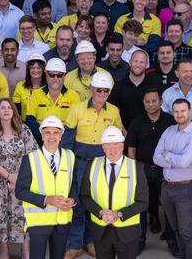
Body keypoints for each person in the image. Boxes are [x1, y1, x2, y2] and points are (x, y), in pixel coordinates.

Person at [63, 71, 123, 259]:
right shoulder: (77, 109)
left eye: (106, 91)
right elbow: (67, 142)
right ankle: (74, 245)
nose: (102, 94)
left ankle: (91, 242)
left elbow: (118, 139)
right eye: (99, 90)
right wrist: (69, 166)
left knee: (96, 204)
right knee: (78, 204)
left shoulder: (114, 111)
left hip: (101, 166)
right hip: (79, 164)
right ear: (92, 89)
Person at [80, 125, 148, 259]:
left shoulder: (136, 168)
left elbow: (143, 202)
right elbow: (84, 197)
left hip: (127, 232)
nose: (112, 149)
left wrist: (119, 214)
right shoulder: (92, 165)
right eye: (108, 145)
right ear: (103, 147)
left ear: (123, 145)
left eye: (116, 144)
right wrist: (100, 212)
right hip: (101, 231)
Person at [16, 115, 77, 259]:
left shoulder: (70, 156)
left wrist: (72, 199)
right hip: (39, 222)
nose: (52, 136)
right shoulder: (30, 159)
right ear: (42, 135)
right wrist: (46, 200)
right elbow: (20, 191)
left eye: (56, 132)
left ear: (61, 135)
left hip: (62, 220)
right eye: (47, 132)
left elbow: (73, 184)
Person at [153, 98, 192, 259]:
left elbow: (184, 162)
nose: (179, 114)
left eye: (183, 111)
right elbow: (156, 157)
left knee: (186, 231)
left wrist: (168, 156)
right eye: (176, 111)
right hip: (167, 187)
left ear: (190, 112)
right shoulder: (168, 131)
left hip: (186, 189)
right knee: (176, 229)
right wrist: (174, 160)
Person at [0, 98, 38, 259]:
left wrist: (18, 179)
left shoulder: (24, 130)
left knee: (24, 216)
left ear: (14, 111)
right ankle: (4, 250)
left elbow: (34, 156)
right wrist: (9, 177)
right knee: (1, 215)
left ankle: (25, 250)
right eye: (3, 108)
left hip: (22, 182)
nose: (6, 110)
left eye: (9, 107)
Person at [126, 89, 176, 250]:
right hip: (143, 169)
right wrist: (133, 172)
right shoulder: (137, 121)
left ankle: (172, 241)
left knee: (169, 206)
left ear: (161, 102)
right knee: (141, 207)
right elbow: (131, 149)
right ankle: (140, 241)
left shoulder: (170, 121)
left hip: (165, 170)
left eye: (154, 101)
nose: (150, 104)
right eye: (147, 101)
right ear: (143, 103)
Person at [161, 58, 192, 134]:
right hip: (173, 140)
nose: (189, 74)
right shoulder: (167, 94)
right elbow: (164, 121)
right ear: (177, 73)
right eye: (185, 71)